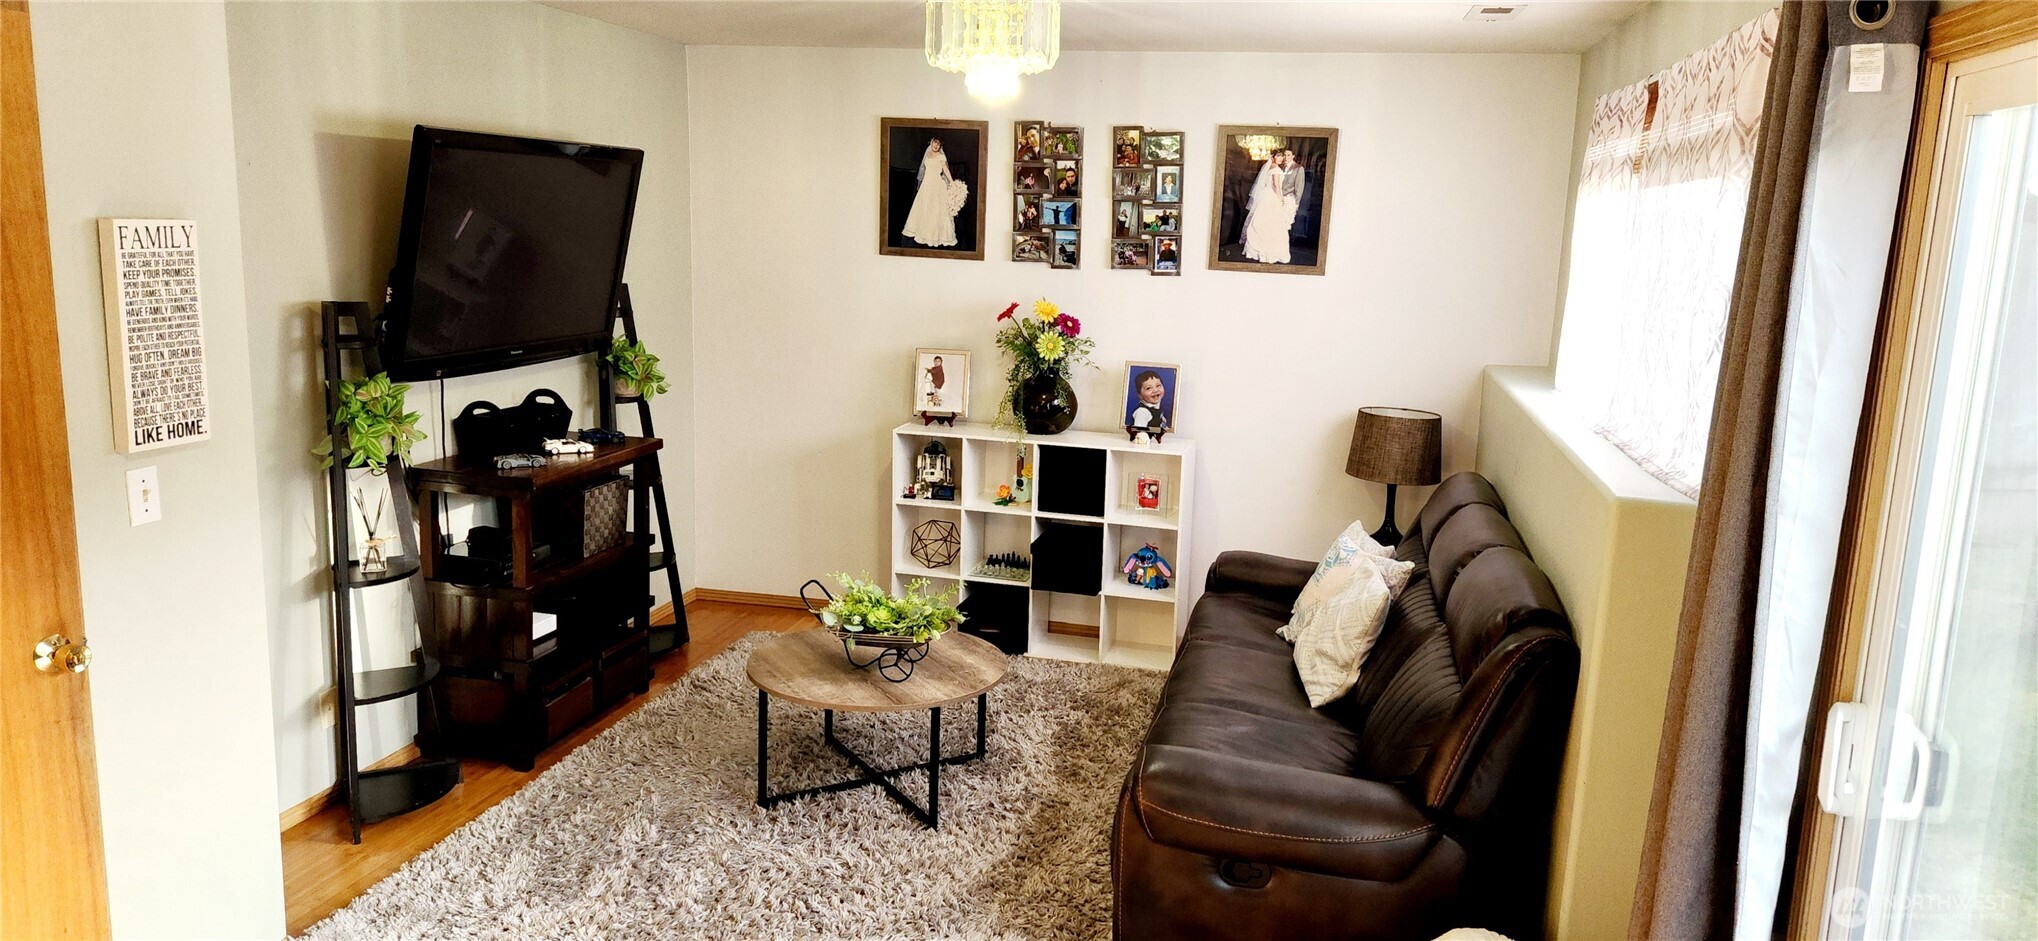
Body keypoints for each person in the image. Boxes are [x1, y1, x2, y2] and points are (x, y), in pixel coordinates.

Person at [1242, 148, 1304, 263]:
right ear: (1273, 157)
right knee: (1273, 224)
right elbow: (1276, 185)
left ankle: (1260, 250)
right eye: (1278, 156)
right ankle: (1268, 251)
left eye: (1282, 156)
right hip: (1272, 198)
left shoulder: (1271, 167)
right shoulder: (1276, 169)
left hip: (1267, 197)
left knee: (1266, 223)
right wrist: (1280, 199)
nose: (1281, 158)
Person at [903, 137, 966, 248]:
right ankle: (921, 232)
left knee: (936, 208)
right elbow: (925, 171)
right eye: (934, 143)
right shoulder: (927, 156)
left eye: (938, 144)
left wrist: (952, 182)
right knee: (924, 207)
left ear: (940, 146)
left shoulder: (941, 156)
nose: (936, 146)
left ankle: (936, 235)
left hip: (936, 184)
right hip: (926, 184)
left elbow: (945, 170)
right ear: (931, 143)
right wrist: (922, 185)